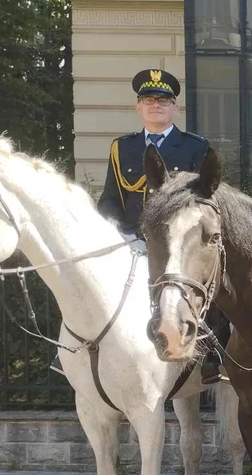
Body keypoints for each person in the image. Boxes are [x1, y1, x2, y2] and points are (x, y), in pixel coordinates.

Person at [94, 69, 229, 384]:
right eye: (149, 100)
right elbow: (109, 200)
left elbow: (201, 202)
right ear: (138, 107)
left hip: (177, 245)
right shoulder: (122, 148)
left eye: (164, 100)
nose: (156, 105)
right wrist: (125, 235)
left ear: (175, 108)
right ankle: (77, 353)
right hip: (131, 244)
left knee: (201, 285)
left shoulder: (194, 147)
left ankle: (211, 353)